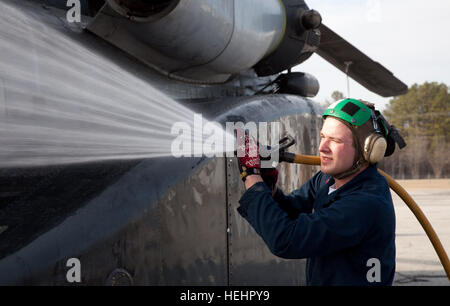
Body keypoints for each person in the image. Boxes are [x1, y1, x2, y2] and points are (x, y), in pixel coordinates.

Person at [236, 98, 403, 286]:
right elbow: (291, 210)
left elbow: (287, 239)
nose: (322, 148)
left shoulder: (365, 203)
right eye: (323, 137)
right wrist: (269, 187)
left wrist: (251, 176)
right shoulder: (327, 179)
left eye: (335, 140)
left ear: (368, 150)